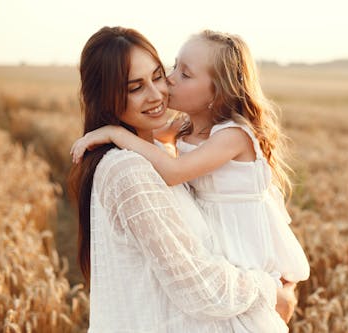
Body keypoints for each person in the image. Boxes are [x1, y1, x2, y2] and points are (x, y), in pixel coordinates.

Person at [68, 26, 296, 333]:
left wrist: (117, 132)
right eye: (135, 87)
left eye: (158, 75)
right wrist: (271, 293)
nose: (159, 92)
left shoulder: (166, 149)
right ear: (105, 98)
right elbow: (201, 287)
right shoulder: (128, 170)